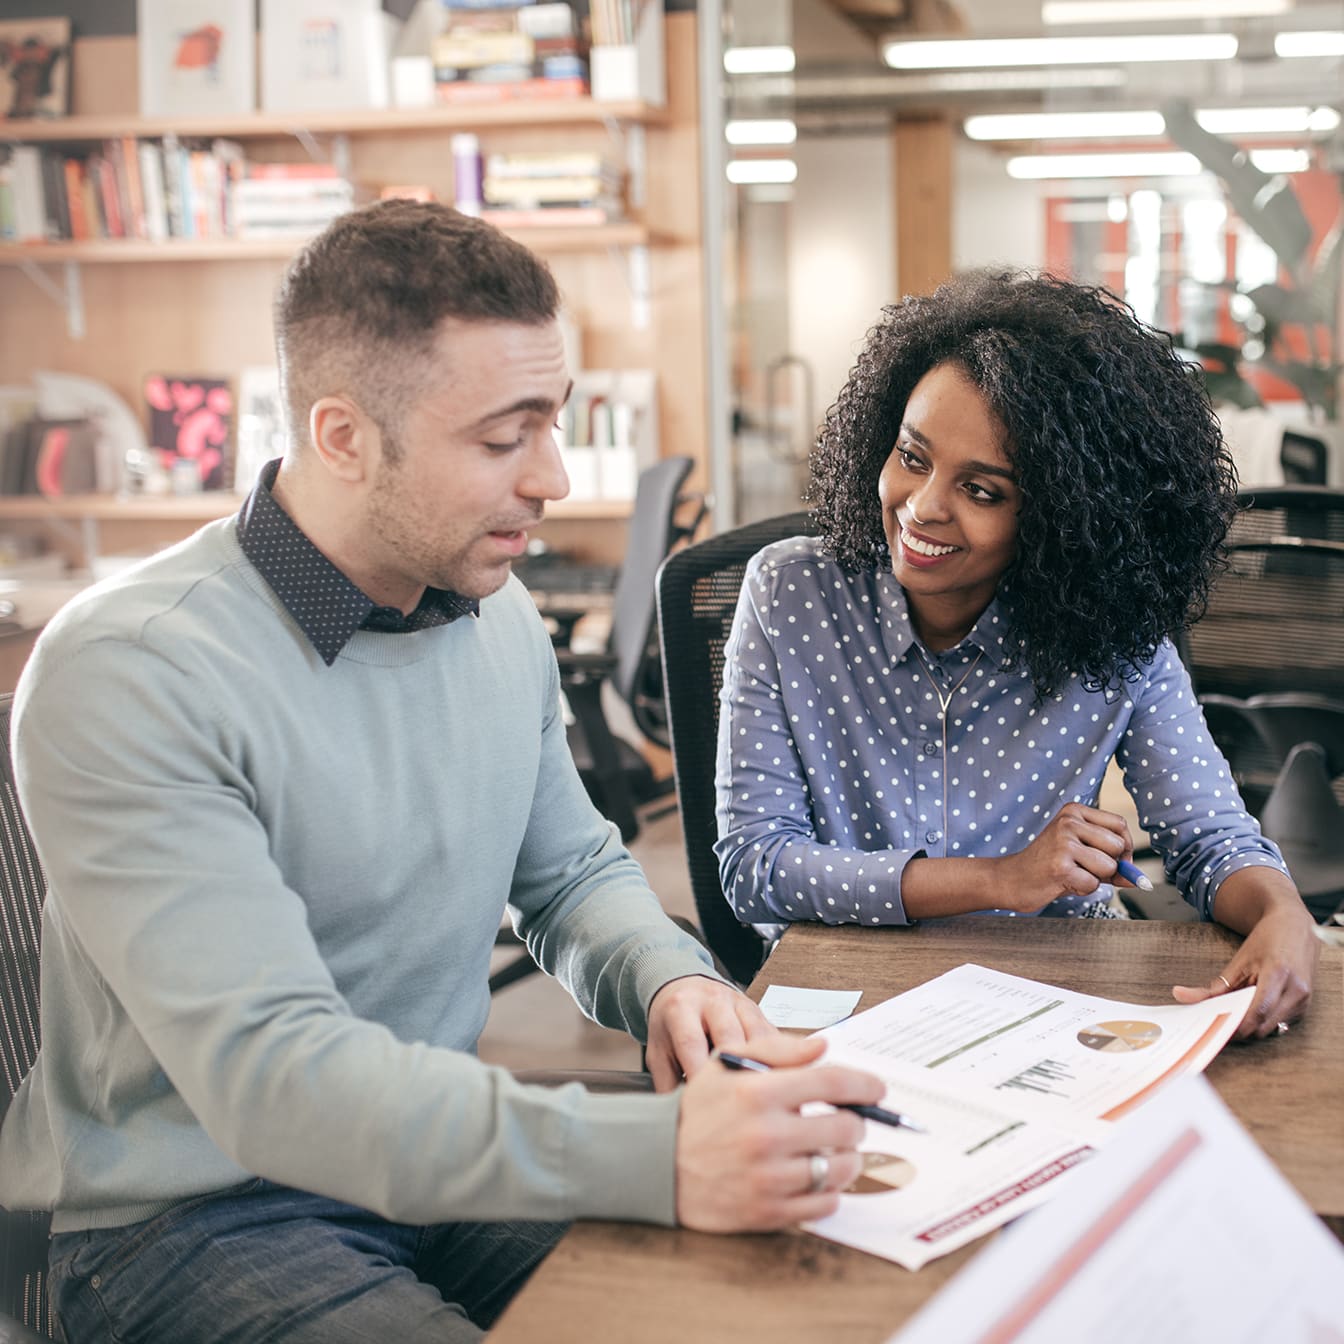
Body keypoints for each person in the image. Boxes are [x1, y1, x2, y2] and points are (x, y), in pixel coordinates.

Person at [0, 200, 886, 1343]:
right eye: (503, 438)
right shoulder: (132, 669)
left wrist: (673, 983)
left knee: (779, 1296)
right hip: (189, 1216)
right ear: (342, 438)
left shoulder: (493, 613)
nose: (554, 479)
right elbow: (274, 1080)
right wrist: (654, 1155)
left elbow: (569, 876)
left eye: (554, 423)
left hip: (430, 1161)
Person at [715, 268, 1318, 1041]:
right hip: (849, 993)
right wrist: (998, 879)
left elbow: (1208, 840)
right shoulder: (793, 593)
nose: (925, 505)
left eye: (984, 490)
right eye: (912, 456)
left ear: (1064, 520)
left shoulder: (1114, 627)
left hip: (1055, 996)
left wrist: (1283, 912)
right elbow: (756, 868)